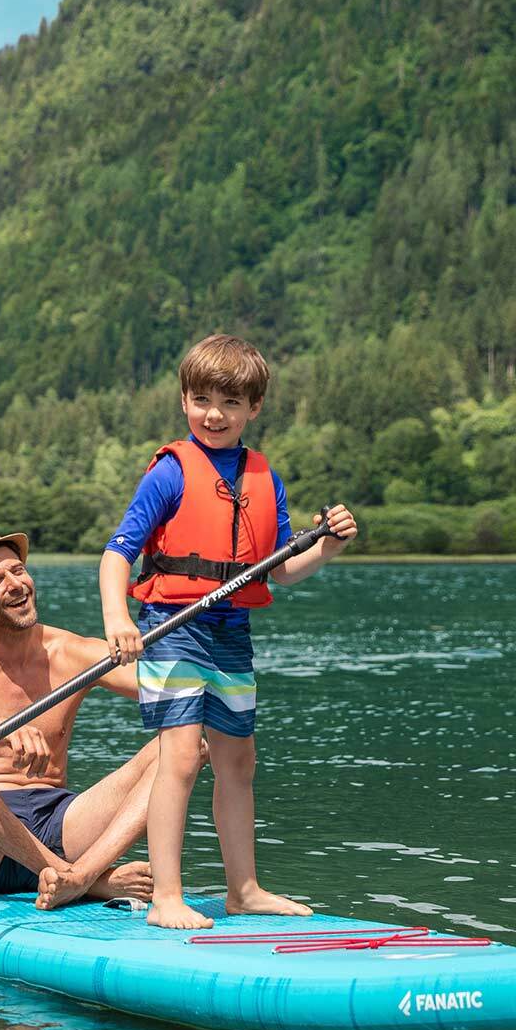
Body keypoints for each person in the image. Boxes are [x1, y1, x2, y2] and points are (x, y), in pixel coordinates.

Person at [99, 334, 357, 930]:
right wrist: (117, 619)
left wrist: (328, 546)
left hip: (230, 631)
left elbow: (281, 569)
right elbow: (117, 555)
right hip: (172, 627)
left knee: (238, 761)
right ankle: (166, 896)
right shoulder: (169, 473)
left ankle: (243, 889)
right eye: (201, 401)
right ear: (184, 401)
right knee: (181, 757)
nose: (213, 415)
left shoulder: (265, 477)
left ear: (254, 407)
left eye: (230, 403)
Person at [0, 526, 165, 910]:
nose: (15, 584)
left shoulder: (73, 651)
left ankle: (79, 875)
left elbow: (170, 690)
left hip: (60, 824)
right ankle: (87, 881)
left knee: (182, 741)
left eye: (18, 570)